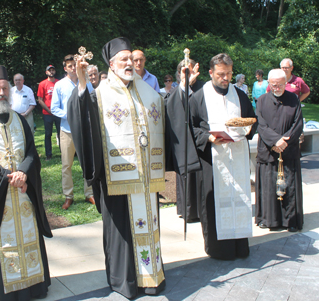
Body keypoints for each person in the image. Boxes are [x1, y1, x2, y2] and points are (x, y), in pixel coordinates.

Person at [68, 38, 171, 298]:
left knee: (149, 223)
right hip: (117, 177)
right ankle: (125, 281)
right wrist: (81, 84)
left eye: (130, 59)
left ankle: (151, 278)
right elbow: (82, 118)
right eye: (122, 60)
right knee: (122, 231)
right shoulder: (99, 93)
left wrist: (184, 89)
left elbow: (168, 115)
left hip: (145, 176)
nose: (128, 63)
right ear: (111, 65)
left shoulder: (148, 92)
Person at [0, 65, 52, 301]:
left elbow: (31, 153)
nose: (1, 93)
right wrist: (10, 177)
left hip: (24, 194)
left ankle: (34, 285)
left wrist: (24, 172)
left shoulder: (19, 120)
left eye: (4, 88)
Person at [190, 53, 257, 260]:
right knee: (214, 202)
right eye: (221, 74)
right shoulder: (200, 96)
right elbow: (191, 126)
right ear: (211, 73)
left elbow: (251, 120)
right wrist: (209, 138)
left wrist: (247, 130)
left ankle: (239, 246)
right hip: (213, 158)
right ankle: (218, 249)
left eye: (228, 73)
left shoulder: (240, 95)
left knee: (239, 198)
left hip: (237, 156)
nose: (226, 78)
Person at [255, 69, 303, 232]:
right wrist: (275, 140)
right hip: (269, 150)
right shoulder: (261, 100)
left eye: (281, 84)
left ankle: (291, 221)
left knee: (289, 187)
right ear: (269, 83)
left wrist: (284, 141)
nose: (277, 88)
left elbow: (298, 124)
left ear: (286, 83)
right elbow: (261, 125)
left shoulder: (294, 99)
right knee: (269, 187)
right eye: (274, 85)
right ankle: (269, 220)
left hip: (288, 150)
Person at [51, 55, 95, 210]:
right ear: (65, 68)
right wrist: (70, 115)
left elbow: (92, 100)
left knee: (87, 162)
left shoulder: (87, 82)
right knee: (66, 165)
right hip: (67, 130)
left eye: (74, 65)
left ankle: (89, 193)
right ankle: (68, 196)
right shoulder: (60, 85)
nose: (72, 68)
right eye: (69, 66)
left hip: (84, 130)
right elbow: (54, 108)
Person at [169, 59, 204, 223]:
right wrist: (185, 85)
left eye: (190, 69)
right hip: (184, 137)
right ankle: (188, 209)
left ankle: (202, 209)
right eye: (184, 70)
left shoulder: (205, 88)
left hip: (201, 137)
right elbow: (171, 107)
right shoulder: (177, 89)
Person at [37, 65, 61, 161]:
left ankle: (64, 153)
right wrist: (48, 110)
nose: (51, 72)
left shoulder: (59, 83)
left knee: (61, 134)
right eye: (49, 70)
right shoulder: (42, 84)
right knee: (48, 134)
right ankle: (48, 155)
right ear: (46, 72)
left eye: (53, 70)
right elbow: (40, 99)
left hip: (58, 113)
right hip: (48, 113)